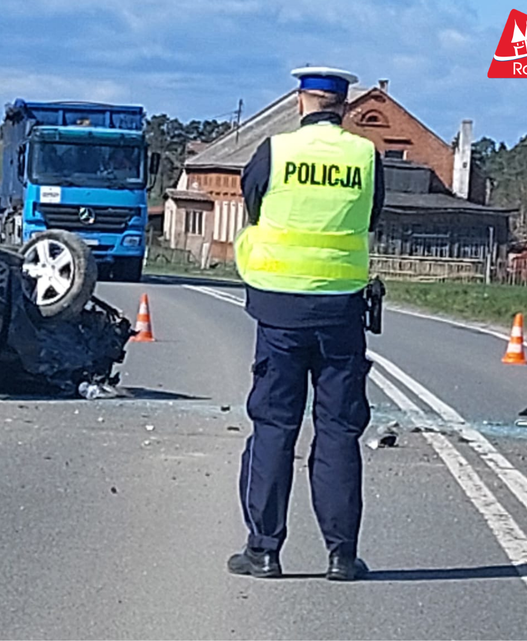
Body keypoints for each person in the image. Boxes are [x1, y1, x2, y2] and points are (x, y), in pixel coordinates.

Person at [228, 66, 385, 582]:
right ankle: (341, 556)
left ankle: (264, 550)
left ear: (301, 101)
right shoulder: (366, 157)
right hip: (340, 314)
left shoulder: (275, 152)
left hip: (279, 313)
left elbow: (253, 204)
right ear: (342, 107)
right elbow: (370, 217)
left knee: (275, 426)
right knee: (338, 431)